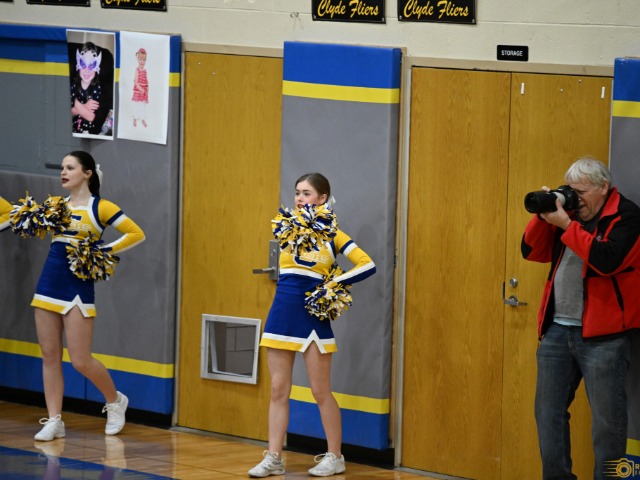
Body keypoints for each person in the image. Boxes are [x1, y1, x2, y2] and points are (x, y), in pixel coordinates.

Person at [248, 173, 376, 478]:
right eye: (297, 193)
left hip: (312, 319)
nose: (299, 198)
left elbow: (367, 264)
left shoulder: (333, 234)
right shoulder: (286, 230)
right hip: (281, 314)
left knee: (320, 391)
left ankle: (335, 457)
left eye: (306, 193)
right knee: (278, 389)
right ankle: (274, 457)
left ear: (322, 198)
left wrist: (333, 284)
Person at [521, 157, 640, 480]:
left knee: (608, 425)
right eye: (571, 191)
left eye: (582, 192)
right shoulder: (569, 215)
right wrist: (544, 214)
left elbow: (606, 260)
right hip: (557, 330)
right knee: (548, 415)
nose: (576, 198)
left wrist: (566, 225)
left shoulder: (627, 216)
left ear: (603, 188)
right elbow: (531, 252)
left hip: (605, 337)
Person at [32, 151, 145, 442]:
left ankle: (115, 401)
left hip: (78, 287)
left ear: (87, 173)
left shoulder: (102, 207)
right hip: (48, 284)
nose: (63, 172)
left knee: (80, 360)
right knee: (49, 355)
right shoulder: (56, 206)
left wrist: (102, 251)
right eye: (62, 168)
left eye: (70, 167)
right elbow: (29, 224)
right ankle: (54, 420)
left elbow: (135, 233)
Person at [70, 42, 111, 135]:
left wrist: (76, 104)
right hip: (73, 129)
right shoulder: (74, 85)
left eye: (92, 66)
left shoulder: (96, 88)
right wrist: (85, 106)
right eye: (83, 64)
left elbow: (91, 117)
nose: (87, 70)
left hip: (88, 131)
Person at [131, 48, 149, 128]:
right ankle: (135, 118)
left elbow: (146, 80)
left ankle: (142, 119)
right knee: (137, 105)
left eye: (144, 60)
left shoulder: (145, 71)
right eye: (141, 59)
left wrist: (147, 89)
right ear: (138, 59)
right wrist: (140, 89)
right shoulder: (137, 70)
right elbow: (136, 81)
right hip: (138, 91)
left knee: (143, 106)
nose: (142, 61)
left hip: (144, 92)